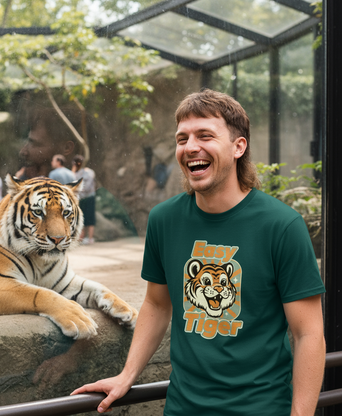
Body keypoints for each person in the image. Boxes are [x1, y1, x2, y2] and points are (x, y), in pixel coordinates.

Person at [71, 89, 326, 415]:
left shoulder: (282, 225)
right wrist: (127, 375)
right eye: (182, 138)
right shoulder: (164, 219)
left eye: (205, 135)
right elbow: (157, 303)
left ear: (238, 147)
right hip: (182, 408)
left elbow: (309, 334)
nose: (191, 147)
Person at [16, 108, 82, 179]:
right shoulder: (73, 177)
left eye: (35, 144)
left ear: (67, 148)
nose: (23, 152)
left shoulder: (54, 175)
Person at [72, 154, 96, 245]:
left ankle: (87, 238)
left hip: (84, 197)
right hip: (89, 197)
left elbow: (75, 185)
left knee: (85, 217)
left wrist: (73, 171)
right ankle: (87, 238)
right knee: (88, 217)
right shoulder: (90, 171)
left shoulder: (77, 174)